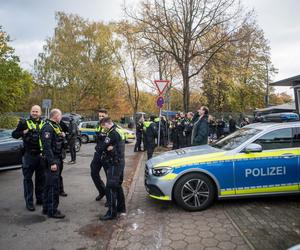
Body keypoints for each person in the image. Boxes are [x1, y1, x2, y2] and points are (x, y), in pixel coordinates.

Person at [12, 105, 45, 211]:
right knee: (27, 180)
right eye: (33, 111)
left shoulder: (44, 123)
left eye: (37, 111)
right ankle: (29, 202)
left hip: (40, 156)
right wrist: (23, 132)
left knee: (40, 179)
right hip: (28, 155)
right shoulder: (24, 123)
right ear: (30, 112)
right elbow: (14, 134)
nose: (34, 113)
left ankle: (40, 199)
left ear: (40, 113)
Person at [40, 108, 66, 218]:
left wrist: (62, 135)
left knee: (49, 185)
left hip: (56, 158)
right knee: (52, 186)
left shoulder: (54, 126)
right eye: (60, 116)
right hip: (52, 160)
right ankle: (52, 210)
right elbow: (47, 147)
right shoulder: (48, 127)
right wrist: (52, 163)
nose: (61, 118)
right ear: (56, 116)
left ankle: (46, 208)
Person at [99, 117, 126, 220]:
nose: (103, 128)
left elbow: (102, 147)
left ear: (107, 124)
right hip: (120, 161)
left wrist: (109, 147)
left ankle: (111, 213)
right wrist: (111, 147)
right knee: (118, 185)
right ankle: (121, 208)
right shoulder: (119, 129)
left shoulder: (112, 133)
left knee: (110, 187)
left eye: (103, 126)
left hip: (115, 163)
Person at [90, 109, 108, 202]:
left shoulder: (109, 126)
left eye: (102, 116)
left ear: (106, 116)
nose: (100, 117)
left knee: (109, 176)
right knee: (93, 172)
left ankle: (110, 198)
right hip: (98, 153)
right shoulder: (98, 125)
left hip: (106, 155)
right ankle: (102, 191)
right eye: (99, 116)